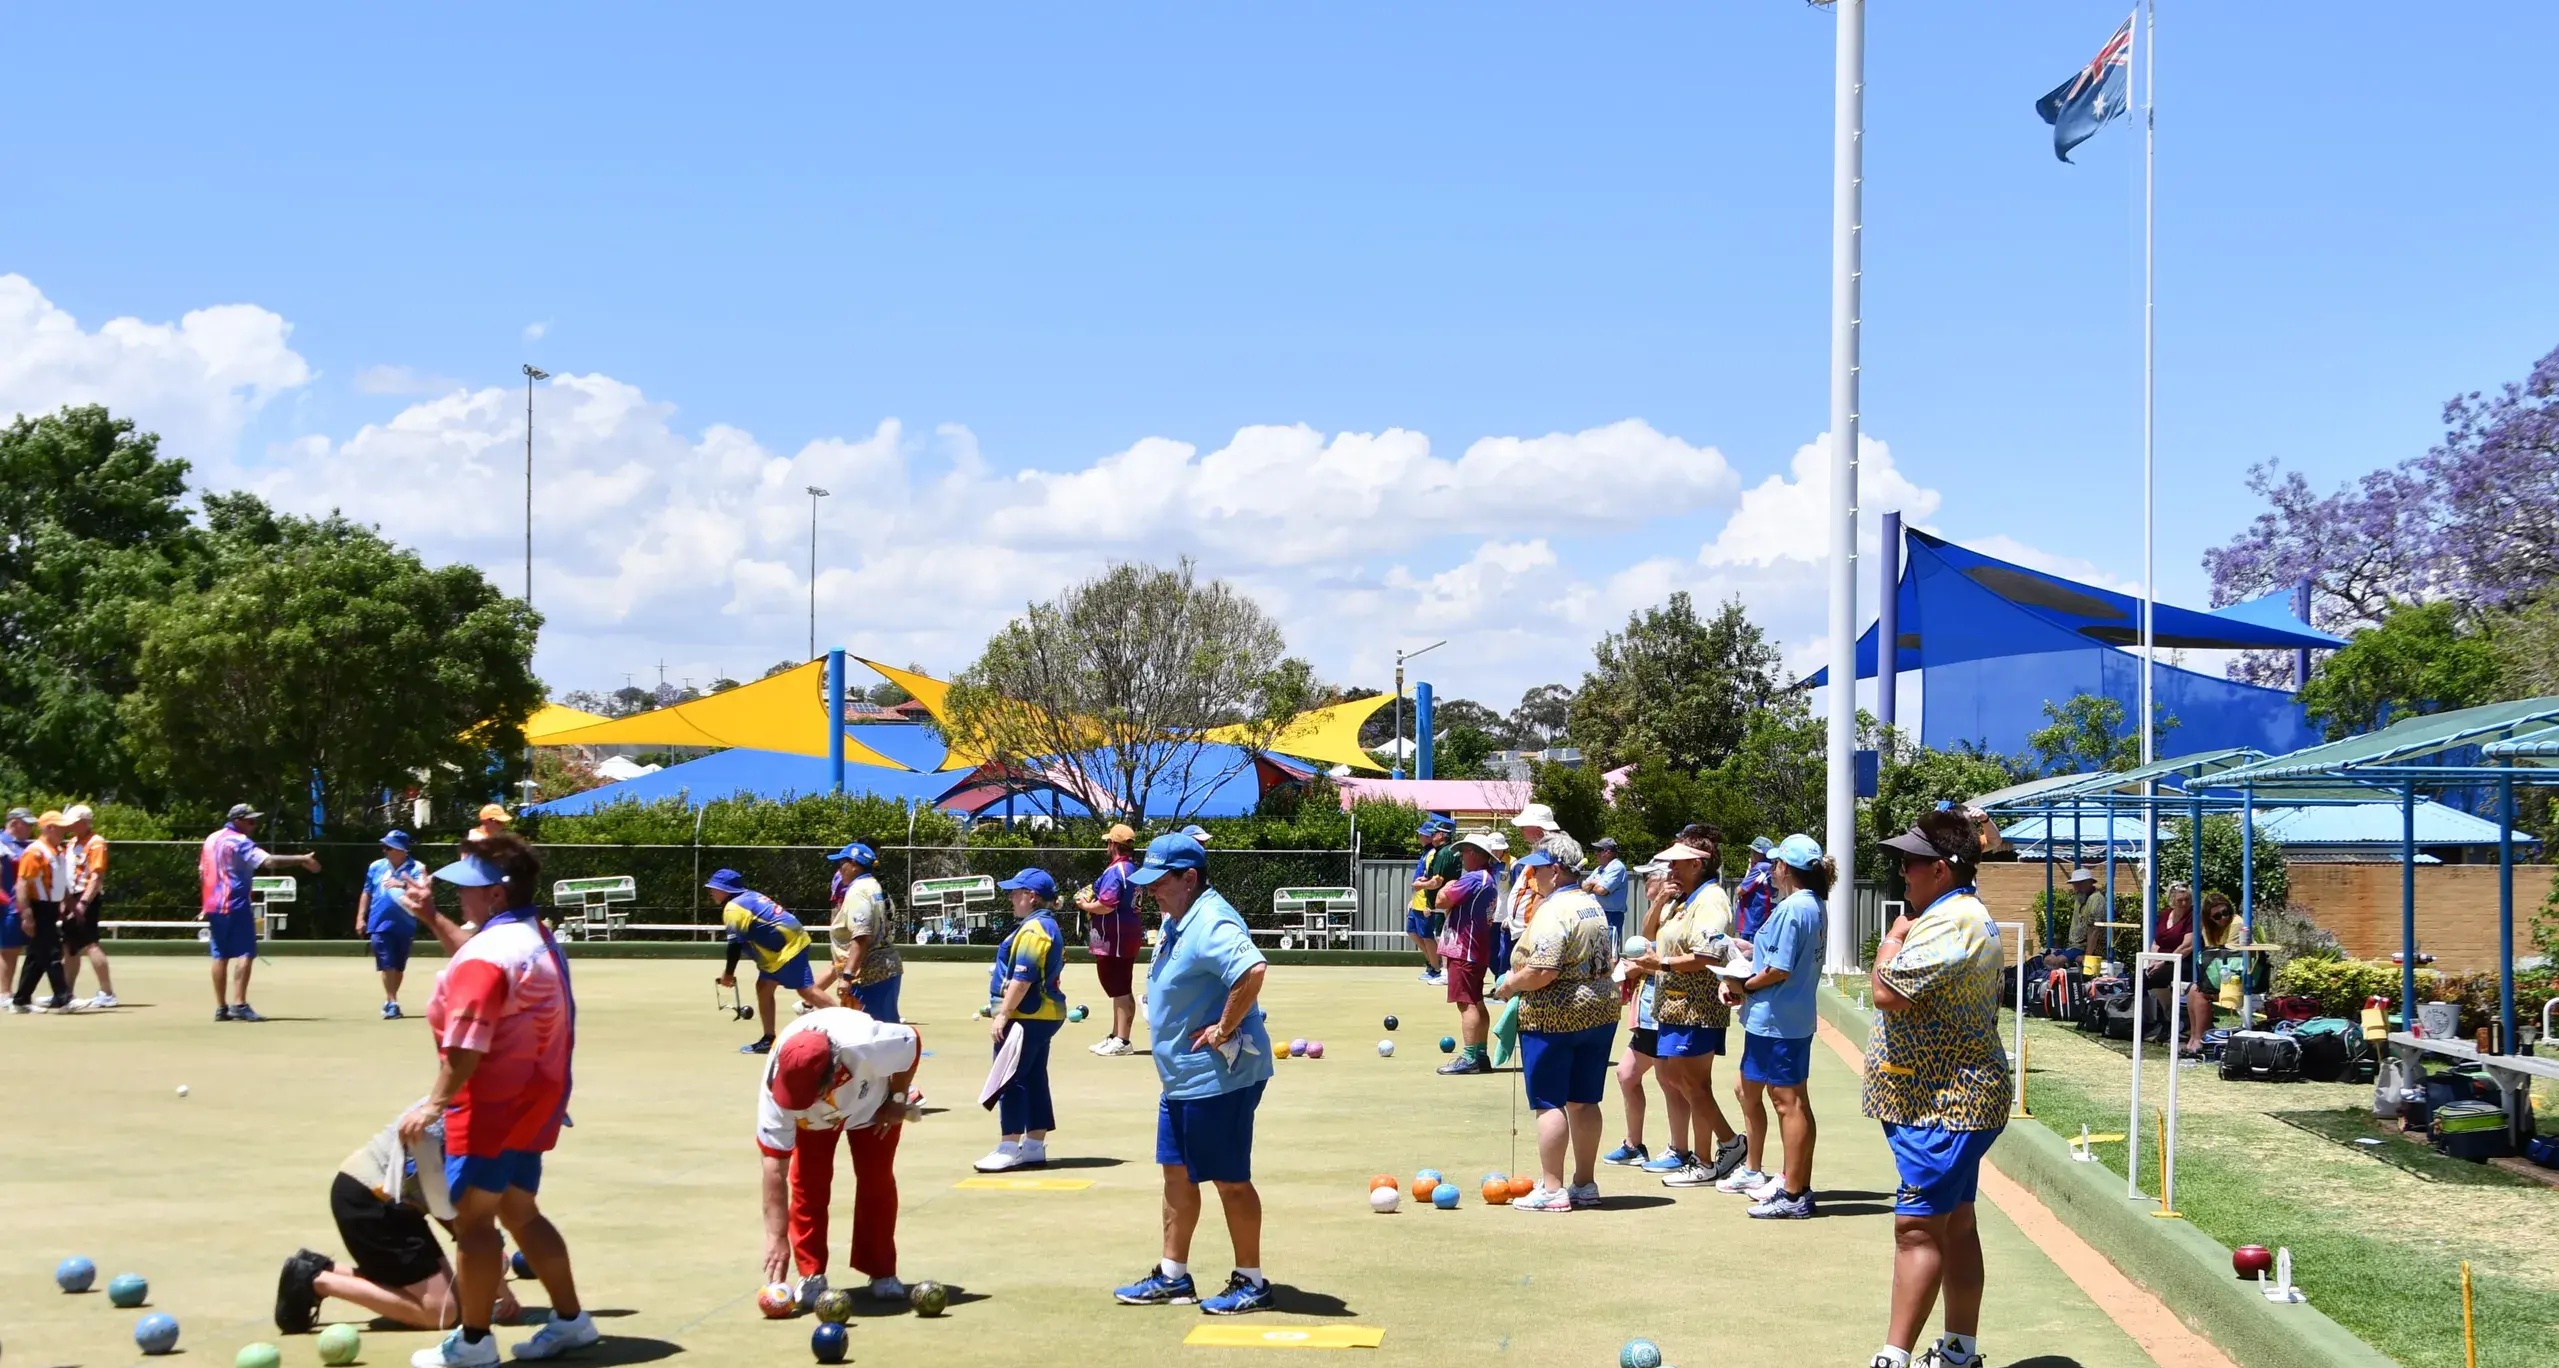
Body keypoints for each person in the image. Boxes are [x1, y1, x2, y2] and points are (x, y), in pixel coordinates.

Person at [396, 832, 596, 1367]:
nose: (462, 896)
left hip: (489, 1106)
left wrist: (434, 1105)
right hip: (536, 1100)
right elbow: (487, 967)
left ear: (497, 896)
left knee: (473, 1223)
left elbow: (467, 1044)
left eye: (470, 889)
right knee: (522, 1213)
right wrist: (431, 917)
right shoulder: (536, 936)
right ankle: (573, 1322)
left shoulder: (487, 954)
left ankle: (475, 1343)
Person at [1863, 812, 2011, 1368]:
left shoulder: (1952, 921)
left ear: (1943, 870)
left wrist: (1892, 938)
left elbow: (1887, 992)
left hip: (1947, 1103)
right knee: (1956, 1222)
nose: (1903, 870)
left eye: (1912, 862)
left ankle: (1893, 1358)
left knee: (1917, 1228)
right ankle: (1958, 1353)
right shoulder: (1948, 912)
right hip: (1942, 1099)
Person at [1111, 833, 1276, 1316]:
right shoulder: (1178, 917)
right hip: (1182, 1079)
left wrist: (1225, 1026)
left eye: (1160, 882)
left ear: (1190, 878)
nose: (1150, 891)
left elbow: (1252, 970)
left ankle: (1252, 1281)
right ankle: (1173, 1277)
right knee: (1177, 1176)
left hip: (1217, 1078)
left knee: (1229, 1180)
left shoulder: (1212, 920)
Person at [276, 1096, 524, 1334]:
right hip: (369, 1201)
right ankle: (316, 1281)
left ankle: (320, 1268)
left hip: (395, 1206)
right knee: (441, 1313)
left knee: (456, 1299)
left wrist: (488, 1264)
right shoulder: (461, 1126)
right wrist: (498, 1284)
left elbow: (447, 1207)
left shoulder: (474, 1104)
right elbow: (455, 1215)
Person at [757, 1001, 925, 1308]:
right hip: (815, 1123)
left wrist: (898, 1098)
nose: (798, 1102)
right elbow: (774, 1166)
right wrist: (776, 1238)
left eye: (808, 1096)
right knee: (809, 1183)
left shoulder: (870, 1042)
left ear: (834, 1073)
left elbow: (912, 1043)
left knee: (877, 1181)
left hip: (873, 1102)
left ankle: (882, 1272)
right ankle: (811, 1273)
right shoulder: (776, 1086)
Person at [1490, 850, 1618, 1211]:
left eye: (1537, 869)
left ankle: (1552, 1188)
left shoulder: (1552, 909)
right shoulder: (1591, 903)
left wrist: (1510, 985)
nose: (1531, 875)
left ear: (1556, 871)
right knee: (1584, 1099)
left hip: (1554, 1014)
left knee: (1548, 1102)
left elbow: (1543, 970)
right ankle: (1585, 1184)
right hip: (1600, 1009)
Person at [1720, 833, 1830, 1218]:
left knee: (1787, 1103)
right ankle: (1794, 1182)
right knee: (1795, 1101)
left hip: (1777, 1021)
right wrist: (1750, 955)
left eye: (1776, 862)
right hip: (1791, 1017)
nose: (1771, 868)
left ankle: (1794, 1192)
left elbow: (1779, 969)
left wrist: (1742, 985)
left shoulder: (1793, 908)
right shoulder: (1813, 905)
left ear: (1785, 868)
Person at [1625, 838, 1745, 1187]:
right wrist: (1662, 898)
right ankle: (1706, 1158)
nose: (1671, 869)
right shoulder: (1683, 899)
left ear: (1698, 865)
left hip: (1696, 1007)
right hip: (1675, 1006)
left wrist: (1659, 962)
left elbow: (1708, 955)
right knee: (1687, 1082)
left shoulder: (1710, 900)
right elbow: (1649, 934)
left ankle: (1727, 1145)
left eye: (1679, 862)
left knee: (1689, 1082)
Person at [978, 867, 1068, 1173]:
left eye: (1016, 893)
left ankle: (1009, 1146)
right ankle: (1033, 1146)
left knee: (1010, 1078)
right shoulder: (1043, 925)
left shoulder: (1033, 930)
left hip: (1026, 1015)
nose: (1012, 898)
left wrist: (1003, 1013)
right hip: (1042, 1015)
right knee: (1033, 1078)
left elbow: (1023, 976)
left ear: (1031, 897)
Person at [200, 803, 323, 1023]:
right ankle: (239, 1004)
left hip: (214, 905)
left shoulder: (210, 839)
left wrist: (205, 903)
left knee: (220, 955)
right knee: (245, 953)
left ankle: (221, 1008)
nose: (254, 825)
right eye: (250, 821)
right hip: (235, 904)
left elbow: (203, 872)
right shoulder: (239, 841)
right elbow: (269, 861)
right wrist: (302, 859)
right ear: (237, 820)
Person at [709, 868, 831, 1054]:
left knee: (807, 991)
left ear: (726, 889)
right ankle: (768, 1039)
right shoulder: (749, 896)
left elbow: (734, 945)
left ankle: (852, 1025)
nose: (711, 891)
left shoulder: (733, 908)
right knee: (764, 987)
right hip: (784, 947)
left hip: (788, 949)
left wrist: (728, 974)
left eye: (714, 888)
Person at [1432, 833, 1503, 1076]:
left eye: (1464, 851)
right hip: (1477, 948)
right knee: (1477, 1001)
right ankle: (1480, 1055)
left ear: (1475, 853)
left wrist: (1446, 887)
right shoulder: (1488, 879)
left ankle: (1470, 1057)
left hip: (1464, 949)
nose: (1462, 856)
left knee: (1466, 1003)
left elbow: (1441, 900)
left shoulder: (1472, 878)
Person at [1076, 823, 1142, 1055]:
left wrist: (1085, 905)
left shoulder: (1117, 871)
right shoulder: (1131, 869)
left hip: (1116, 937)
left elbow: (1106, 904)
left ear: (1113, 845)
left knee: (1120, 987)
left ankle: (1123, 1041)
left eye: (1108, 842)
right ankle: (1116, 1035)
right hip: (1121, 935)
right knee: (1117, 988)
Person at [820, 843, 903, 1023]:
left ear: (855, 865)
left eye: (842, 863)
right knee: (883, 1030)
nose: (839, 869)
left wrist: (847, 977)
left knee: (869, 1033)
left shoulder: (859, 891)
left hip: (869, 975)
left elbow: (861, 937)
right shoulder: (874, 886)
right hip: (885, 968)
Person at [9, 811, 73, 1013]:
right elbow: (22, 884)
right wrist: (26, 914)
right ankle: (64, 999)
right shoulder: (35, 852)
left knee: (37, 956)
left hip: (51, 908)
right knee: (52, 952)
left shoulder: (56, 850)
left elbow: (59, 882)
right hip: (38, 907)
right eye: (61, 827)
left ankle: (21, 1001)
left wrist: (67, 901)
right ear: (49, 828)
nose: (65, 831)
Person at [361, 831, 429, 1020]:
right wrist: (360, 917)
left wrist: (401, 884)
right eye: (384, 847)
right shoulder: (376, 866)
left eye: (389, 847)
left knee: (399, 967)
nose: (385, 850)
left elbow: (423, 891)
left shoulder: (417, 867)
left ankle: (390, 998)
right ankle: (393, 1002)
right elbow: (366, 892)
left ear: (401, 850)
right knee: (387, 963)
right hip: (379, 923)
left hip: (405, 923)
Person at [58, 804, 117, 1008]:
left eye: (73, 822)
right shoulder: (72, 842)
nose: (69, 826)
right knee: (69, 947)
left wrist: (83, 902)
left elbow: (96, 876)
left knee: (90, 944)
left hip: (85, 898)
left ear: (84, 822)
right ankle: (65, 993)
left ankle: (107, 992)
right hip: (70, 897)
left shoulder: (96, 843)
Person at [2175, 891, 2239, 1054]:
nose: (2223, 917)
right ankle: (2194, 1039)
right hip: (2222, 976)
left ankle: (2199, 1041)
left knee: (2199, 992)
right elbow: (2212, 958)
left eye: (2226, 912)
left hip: (2237, 978)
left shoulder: (2237, 924)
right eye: (2217, 916)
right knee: (2193, 990)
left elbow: (2228, 957)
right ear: (2210, 918)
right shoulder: (2208, 930)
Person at [1405, 815, 1458, 985]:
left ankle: (1440, 971)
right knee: (1435, 935)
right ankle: (1437, 968)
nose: (1430, 835)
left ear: (1442, 835)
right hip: (1434, 903)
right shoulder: (1437, 853)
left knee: (1439, 937)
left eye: (1435, 832)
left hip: (1441, 903)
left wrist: (1422, 887)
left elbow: (1437, 881)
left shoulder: (1442, 853)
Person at [0, 807, 30, 1004]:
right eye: (27, 823)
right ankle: (4, 994)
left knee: (14, 949)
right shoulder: (2, 844)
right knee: (8, 950)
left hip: (18, 905)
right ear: (15, 823)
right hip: (7, 906)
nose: (31, 828)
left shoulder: (24, 845)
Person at [1580, 836, 1630, 945]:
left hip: (1611, 916)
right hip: (1595, 914)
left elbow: (1602, 890)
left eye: (1598, 850)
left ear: (1607, 852)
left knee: (1607, 951)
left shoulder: (1617, 867)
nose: (1596, 854)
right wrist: (1594, 883)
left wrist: (1592, 884)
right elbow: (1583, 887)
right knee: (1594, 951)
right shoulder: (1599, 869)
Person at [1732, 836, 1777, 940]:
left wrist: (1750, 869)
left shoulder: (1760, 868)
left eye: (1752, 851)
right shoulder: (1772, 867)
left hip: (1752, 920)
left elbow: (1740, 891)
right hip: (1764, 917)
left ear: (1758, 853)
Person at [2062, 868, 2105, 968]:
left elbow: (2094, 929)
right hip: (2075, 946)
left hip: (2086, 948)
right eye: (2075, 884)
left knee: (2056, 961)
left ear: (2090, 883)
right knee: (2048, 958)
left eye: (2081, 883)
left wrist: (2088, 956)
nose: (2077, 887)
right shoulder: (2080, 898)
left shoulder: (2096, 899)